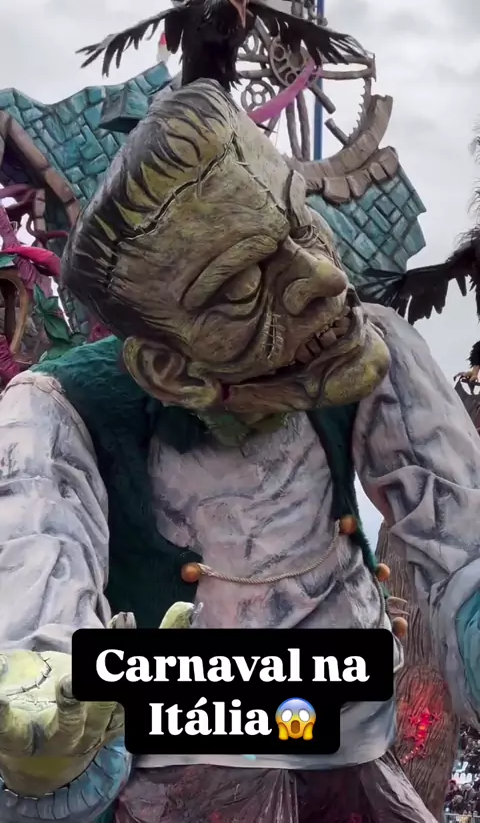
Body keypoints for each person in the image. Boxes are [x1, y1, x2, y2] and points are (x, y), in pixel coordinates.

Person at [0, 78, 479, 823]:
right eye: (239, 286)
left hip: (351, 774)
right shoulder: (56, 410)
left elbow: (464, 550)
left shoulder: (374, 353)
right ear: (170, 368)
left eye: (300, 224)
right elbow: (37, 633)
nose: (324, 280)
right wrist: (43, 730)